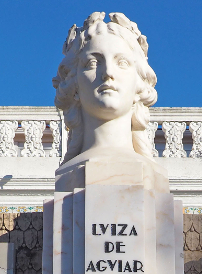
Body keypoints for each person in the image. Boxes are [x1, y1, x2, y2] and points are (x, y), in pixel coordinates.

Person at [53, 12, 157, 163]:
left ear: (139, 84)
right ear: (74, 83)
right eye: (93, 63)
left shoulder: (150, 171)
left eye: (122, 63)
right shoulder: (69, 172)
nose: (108, 72)